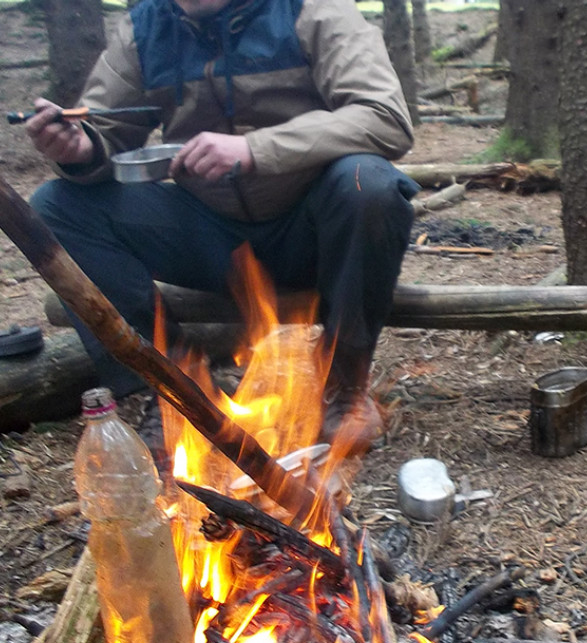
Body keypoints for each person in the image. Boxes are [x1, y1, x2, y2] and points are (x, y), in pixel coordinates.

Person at [22, 0, 419, 454]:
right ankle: (175, 387)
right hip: (207, 236)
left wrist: (255, 148)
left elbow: (385, 118)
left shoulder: (313, 9)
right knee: (58, 205)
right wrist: (80, 148)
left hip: (313, 231)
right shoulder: (144, 29)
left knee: (370, 184)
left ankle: (345, 387)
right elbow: (107, 133)